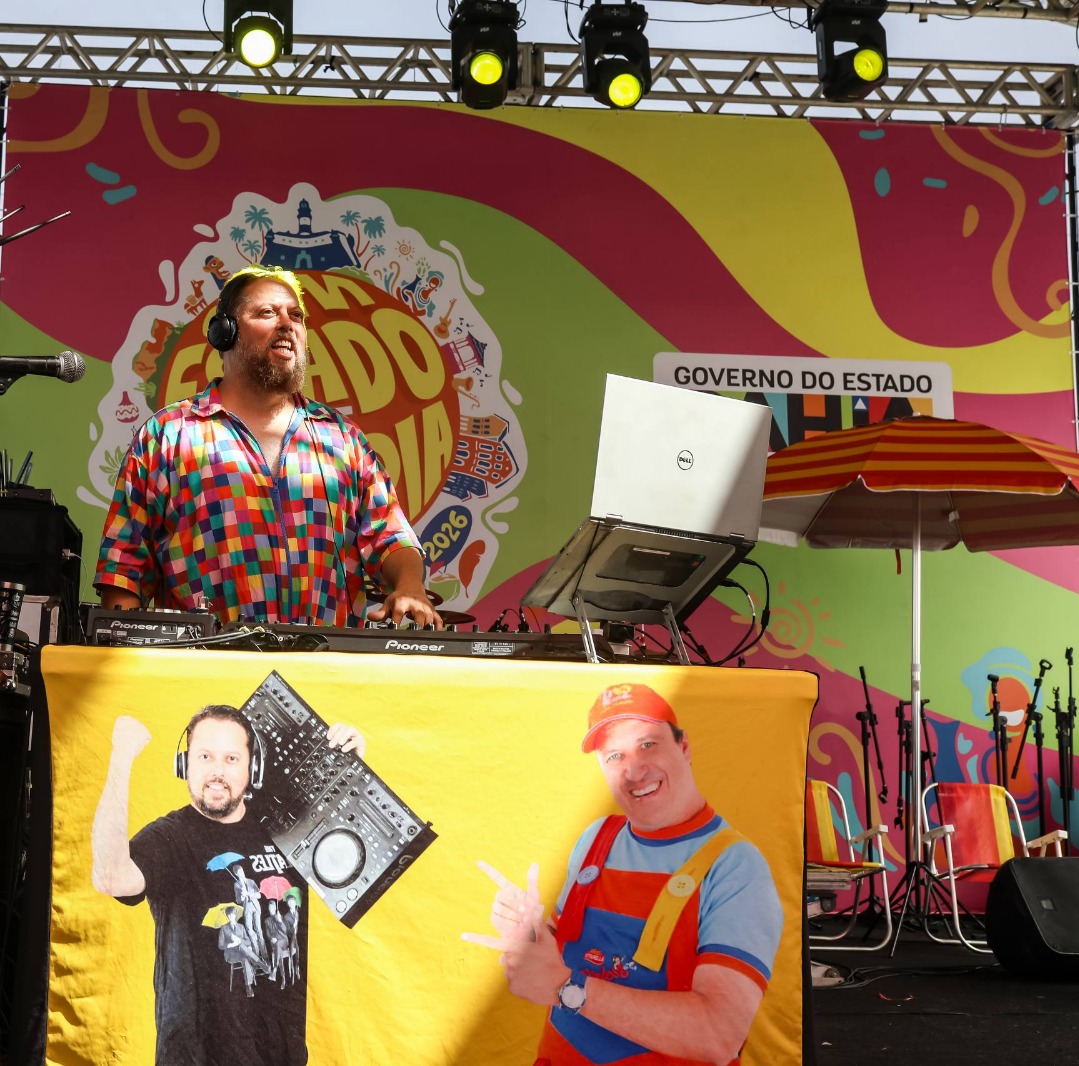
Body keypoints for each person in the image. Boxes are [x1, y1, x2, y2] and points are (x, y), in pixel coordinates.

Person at [95, 264, 440, 628]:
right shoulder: (167, 434)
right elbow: (124, 571)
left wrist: (410, 586)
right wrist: (121, 643)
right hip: (204, 659)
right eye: (266, 313)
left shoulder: (343, 438)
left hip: (324, 661)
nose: (287, 324)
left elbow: (391, 535)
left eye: (296, 316)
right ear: (225, 332)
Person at [464, 682, 784, 1066]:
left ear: (684, 748)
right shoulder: (596, 838)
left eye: (647, 744)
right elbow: (564, 951)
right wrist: (528, 935)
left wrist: (566, 988)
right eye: (615, 755)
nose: (633, 770)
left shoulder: (735, 867)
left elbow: (718, 1035)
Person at [90, 704, 365, 1065]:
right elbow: (109, 876)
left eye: (231, 759)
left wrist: (352, 767)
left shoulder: (288, 830)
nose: (217, 772)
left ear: (253, 768)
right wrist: (121, 758)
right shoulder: (171, 837)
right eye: (204, 757)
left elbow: (353, 856)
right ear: (184, 765)